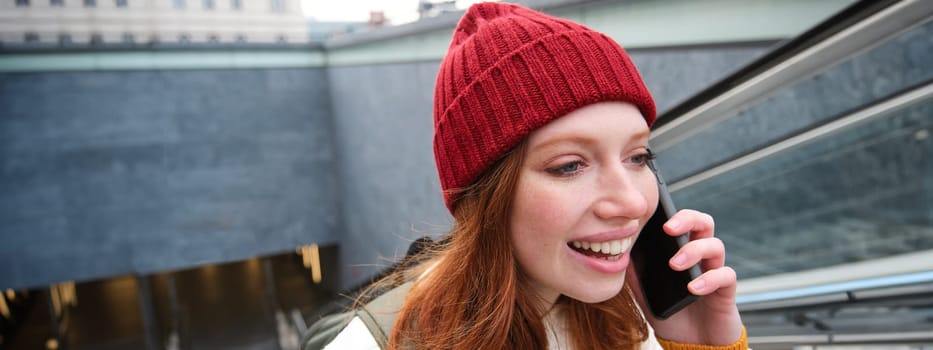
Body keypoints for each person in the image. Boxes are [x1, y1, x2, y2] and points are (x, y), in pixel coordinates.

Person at [310, 2, 746, 349]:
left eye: (637, 157)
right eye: (569, 166)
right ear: (484, 197)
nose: (633, 203)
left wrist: (698, 346)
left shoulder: (629, 317)